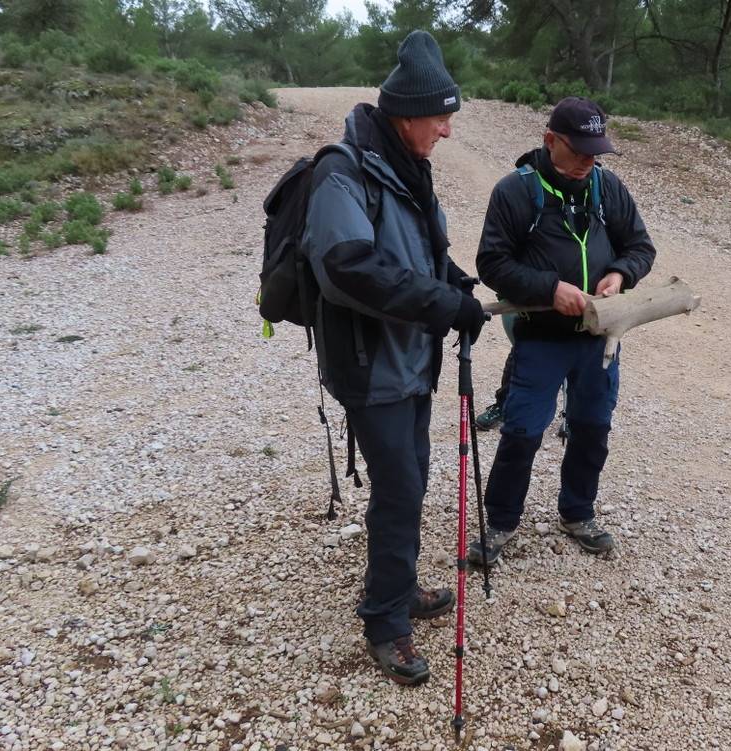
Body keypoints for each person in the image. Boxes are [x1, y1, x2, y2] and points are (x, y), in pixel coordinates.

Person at [303, 30, 487, 685]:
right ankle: (385, 621)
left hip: (410, 361)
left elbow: (424, 255)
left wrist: (456, 284)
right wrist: (441, 306)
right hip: (371, 364)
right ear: (407, 113)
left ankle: (398, 586)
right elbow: (349, 269)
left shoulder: (407, 170)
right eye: (441, 117)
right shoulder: (342, 174)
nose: (447, 131)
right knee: (402, 487)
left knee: (407, 483)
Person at [469, 96, 656, 565]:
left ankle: (577, 513)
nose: (588, 163)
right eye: (578, 152)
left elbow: (640, 246)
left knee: (592, 428)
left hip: (599, 337)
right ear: (550, 140)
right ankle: (501, 522)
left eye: (596, 153)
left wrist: (621, 274)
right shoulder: (515, 191)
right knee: (523, 432)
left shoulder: (607, 188)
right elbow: (492, 262)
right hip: (542, 336)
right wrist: (551, 289)